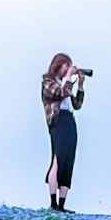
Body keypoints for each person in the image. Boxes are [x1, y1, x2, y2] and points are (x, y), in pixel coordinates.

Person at [40, 53, 88, 212]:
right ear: (58, 65)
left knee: (68, 159)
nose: (69, 69)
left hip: (69, 121)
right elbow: (59, 94)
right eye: (66, 66)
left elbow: (77, 104)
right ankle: (53, 203)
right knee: (58, 158)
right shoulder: (48, 82)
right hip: (58, 121)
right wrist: (68, 78)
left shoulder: (64, 83)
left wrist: (80, 85)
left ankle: (62, 204)